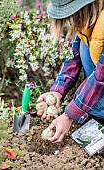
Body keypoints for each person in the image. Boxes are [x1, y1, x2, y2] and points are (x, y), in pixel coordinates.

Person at [37, 0, 104, 143]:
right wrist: (57, 91)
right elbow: (73, 57)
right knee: (84, 48)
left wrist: (69, 115)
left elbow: (100, 77)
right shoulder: (88, 17)